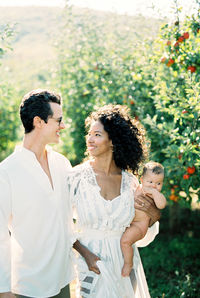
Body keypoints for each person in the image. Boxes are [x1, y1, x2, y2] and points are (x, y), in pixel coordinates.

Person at [67, 105, 160, 298]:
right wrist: (86, 255)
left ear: (113, 141)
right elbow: (60, 225)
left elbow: (140, 232)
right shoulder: (75, 177)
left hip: (124, 266)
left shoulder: (130, 183)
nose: (90, 139)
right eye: (89, 134)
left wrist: (153, 217)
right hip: (91, 265)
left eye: (97, 135)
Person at [0, 89, 75, 298]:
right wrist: (3, 289)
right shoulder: (6, 172)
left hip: (63, 280)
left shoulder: (62, 164)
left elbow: (77, 212)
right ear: (38, 122)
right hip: (26, 287)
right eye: (58, 120)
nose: (63, 125)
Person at [120, 161, 166, 277]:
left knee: (125, 242)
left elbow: (161, 205)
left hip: (139, 226)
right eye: (150, 182)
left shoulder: (156, 195)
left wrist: (155, 194)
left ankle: (128, 263)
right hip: (129, 223)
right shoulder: (137, 188)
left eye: (158, 183)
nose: (153, 186)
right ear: (141, 180)